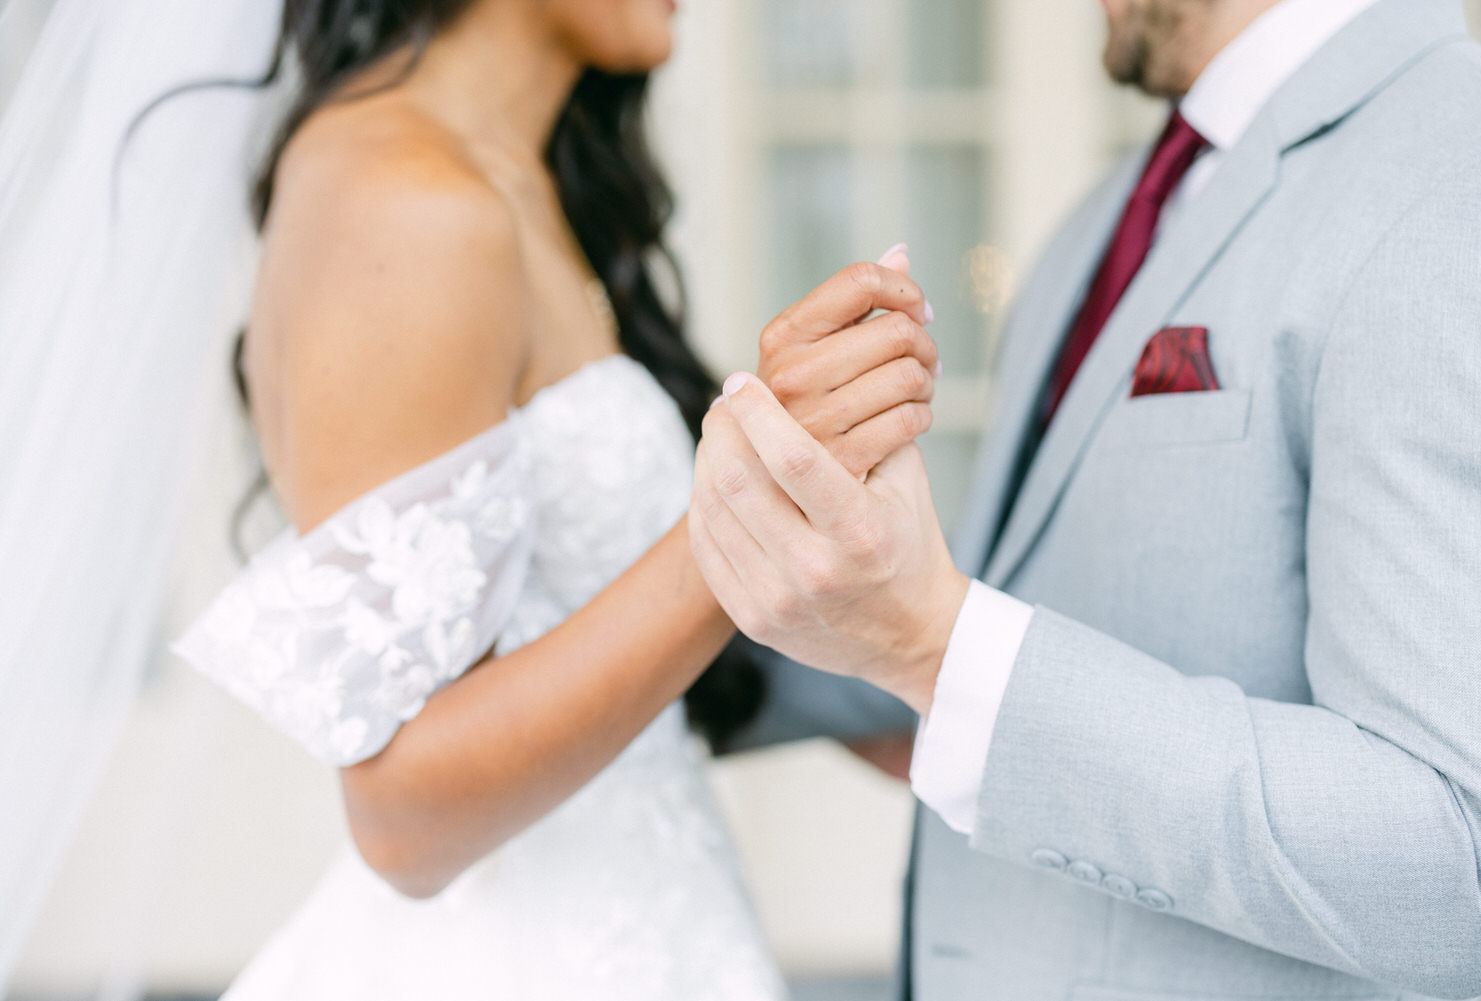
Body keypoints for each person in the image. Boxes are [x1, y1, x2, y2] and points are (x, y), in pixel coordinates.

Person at [692, 0, 1481, 997]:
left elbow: (1465, 865)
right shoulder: (1108, 219)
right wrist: (670, 633)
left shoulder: (1463, 177)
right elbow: (1025, 615)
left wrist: (934, 644)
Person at [170, 0, 940, 996]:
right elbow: (402, 812)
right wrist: (753, 498)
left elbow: (590, 612)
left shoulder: (524, 177)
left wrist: (907, 682)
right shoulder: (401, 199)